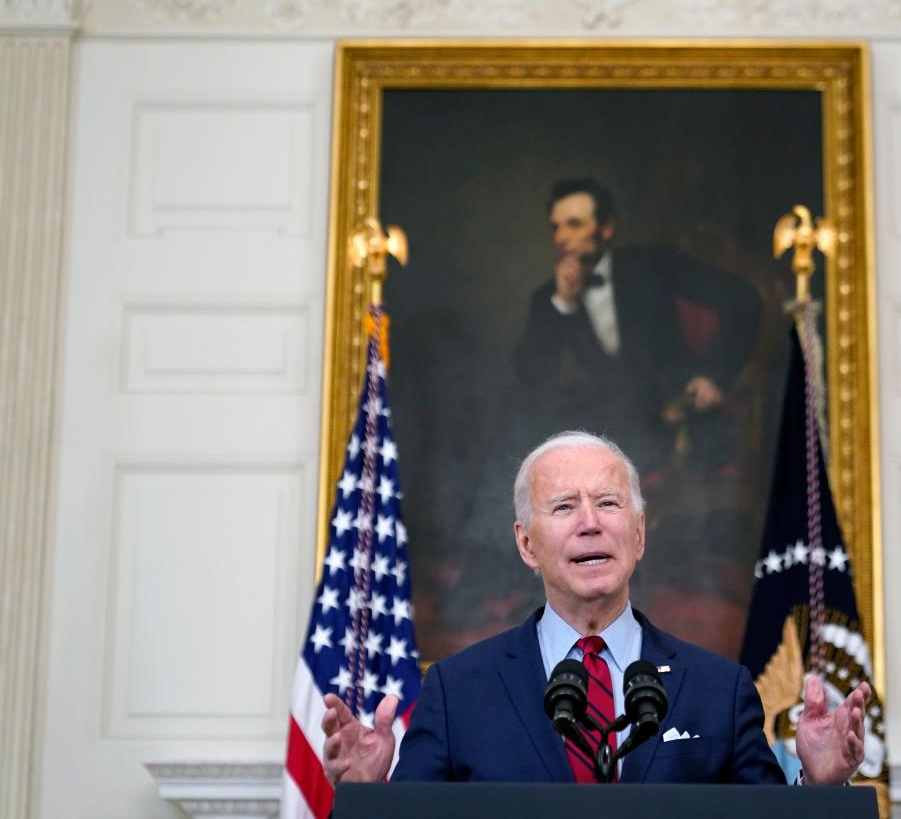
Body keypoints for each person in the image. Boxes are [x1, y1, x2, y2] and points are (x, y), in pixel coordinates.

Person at [322, 430, 870, 786]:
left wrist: (820, 786)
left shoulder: (717, 691)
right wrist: (365, 801)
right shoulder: (457, 691)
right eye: (564, 506)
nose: (591, 522)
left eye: (608, 503)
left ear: (637, 534)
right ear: (526, 544)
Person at [510, 178, 761, 474]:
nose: (561, 237)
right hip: (606, 431)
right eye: (556, 227)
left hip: (678, 417)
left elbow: (742, 300)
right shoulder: (548, 299)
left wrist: (714, 375)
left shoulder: (654, 266)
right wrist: (563, 304)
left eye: (574, 224)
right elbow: (531, 376)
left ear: (607, 229)